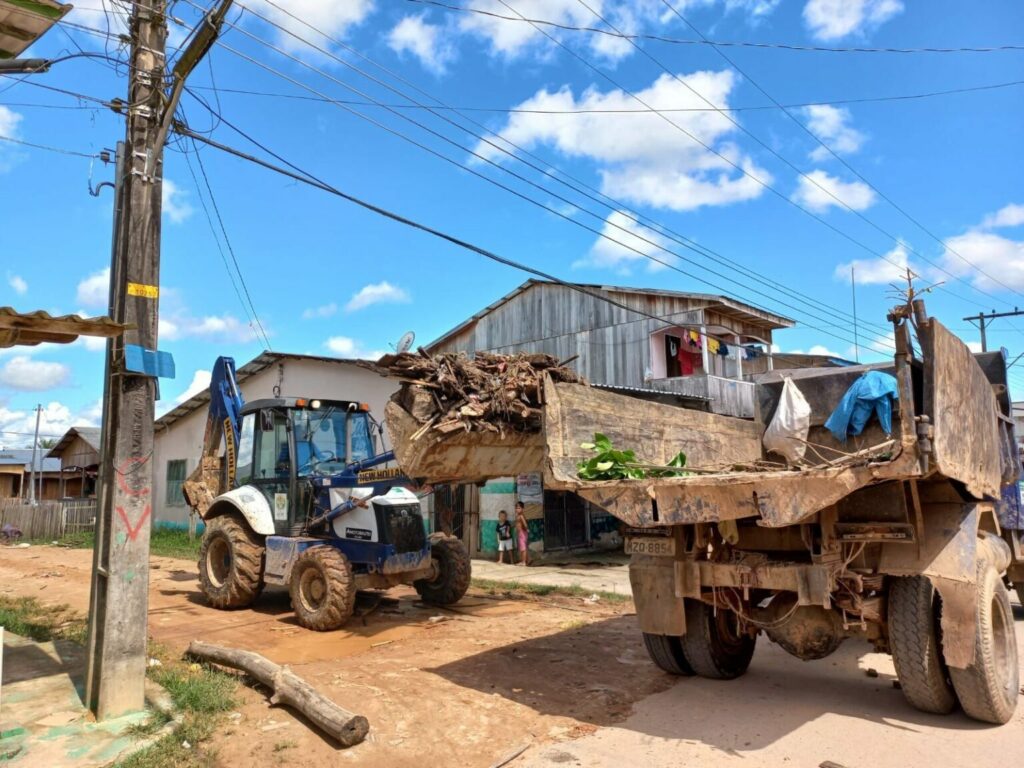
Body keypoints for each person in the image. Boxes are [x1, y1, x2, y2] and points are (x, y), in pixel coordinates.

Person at [515, 502, 530, 567]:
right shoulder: (518, 516)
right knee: (523, 547)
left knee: (523, 548)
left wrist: (526, 529)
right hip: (520, 533)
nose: (517, 509)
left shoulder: (521, 516)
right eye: (516, 508)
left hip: (522, 533)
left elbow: (525, 523)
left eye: (519, 508)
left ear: (522, 509)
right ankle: (527, 560)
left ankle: (523, 562)